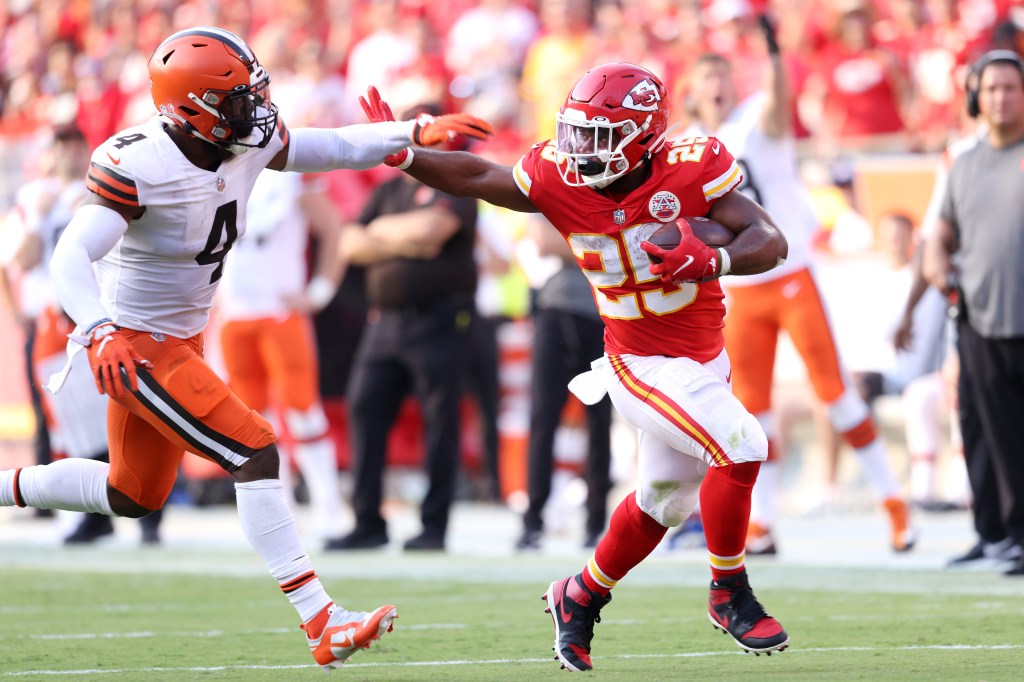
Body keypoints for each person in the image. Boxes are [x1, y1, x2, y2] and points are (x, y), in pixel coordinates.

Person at [0, 26, 492, 670]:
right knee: (254, 446)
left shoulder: (243, 139)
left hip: (183, 339)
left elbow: (335, 146)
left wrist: (405, 134)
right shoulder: (138, 161)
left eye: (253, 90)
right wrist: (98, 331)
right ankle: (322, 620)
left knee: (132, 494)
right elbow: (71, 255)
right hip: (136, 344)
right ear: (192, 107)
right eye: (236, 98)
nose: (253, 107)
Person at [361, 59, 791, 670]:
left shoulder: (692, 167)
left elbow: (769, 240)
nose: (581, 147)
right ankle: (731, 594)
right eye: (576, 130)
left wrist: (710, 263)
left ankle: (581, 594)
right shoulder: (557, 176)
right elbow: (479, 176)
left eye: (599, 135)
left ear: (643, 135)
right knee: (743, 444)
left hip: (703, 357)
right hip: (638, 360)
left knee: (663, 501)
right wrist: (403, 156)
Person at [683, 19, 915, 556]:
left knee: (836, 396)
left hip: (791, 275)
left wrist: (773, 53)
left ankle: (893, 502)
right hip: (741, 289)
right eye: (706, 75)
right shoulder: (688, 145)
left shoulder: (754, 121)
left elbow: (778, 99)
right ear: (692, 89)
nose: (716, 83)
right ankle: (763, 522)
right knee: (754, 412)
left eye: (723, 73)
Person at [325, 102, 480, 553]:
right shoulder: (389, 192)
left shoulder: (454, 184)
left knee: (439, 423)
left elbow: (431, 235)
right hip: (385, 322)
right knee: (364, 411)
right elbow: (350, 245)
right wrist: (400, 233)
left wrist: (381, 233)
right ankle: (368, 520)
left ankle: (434, 525)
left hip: (440, 319)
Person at [923, 49, 1024, 576]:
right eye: (991, 90)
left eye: (1010, 88)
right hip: (981, 317)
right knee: (993, 433)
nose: (1001, 98)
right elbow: (939, 233)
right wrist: (939, 266)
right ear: (975, 99)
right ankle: (1001, 535)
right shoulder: (963, 162)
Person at [216, 168, 346, 544]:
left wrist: (319, 291)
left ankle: (330, 511)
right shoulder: (219, 171)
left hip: (280, 310)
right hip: (234, 313)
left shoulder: (289, 175)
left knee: (302, 410)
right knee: (254, 423)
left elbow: (335, 228)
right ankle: (278, 515)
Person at [515, 214, 612, 551]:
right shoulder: (553, 187)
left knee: (599, 422)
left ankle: (596, 522)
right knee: (543, 418)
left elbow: (623, 249)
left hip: (604, 317)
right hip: (555, 310)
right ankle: (533, 521)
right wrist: (598, 244)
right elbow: (543, 241)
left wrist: (576, 242)